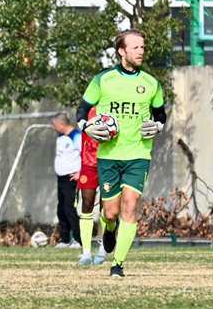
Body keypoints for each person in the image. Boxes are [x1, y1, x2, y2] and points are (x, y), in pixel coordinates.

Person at [76, 28, 166, 278]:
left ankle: (118, 265)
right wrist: (88, 128)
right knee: (110, 212)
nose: (141, 51)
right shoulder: (103, 80)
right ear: (121, 51)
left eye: (143, 47)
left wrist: (158, 127)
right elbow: (81, 112)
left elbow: (161, 115)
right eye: (136, 47)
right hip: (108, 156)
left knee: (130, 206)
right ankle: (109, 229)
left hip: (138, 155)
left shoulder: (151, 83)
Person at [76, 106, 108, 266]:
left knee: (106, 207)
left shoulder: (113, 106)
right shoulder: (87, 108)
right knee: (86, 204)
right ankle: (86, 252)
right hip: (88, 162)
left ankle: (104, 249)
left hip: (108, 160)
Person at [52, 112, 82, 249]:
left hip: (71, 178)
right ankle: (65, 240)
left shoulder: (76, 136)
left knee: (70, 208)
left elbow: (86, 155)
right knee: (61, 209)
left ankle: (78, 239)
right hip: (61, 179)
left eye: (54, 125)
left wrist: (80, 173)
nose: (54, 128)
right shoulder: (60, 136)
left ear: (62, 124)